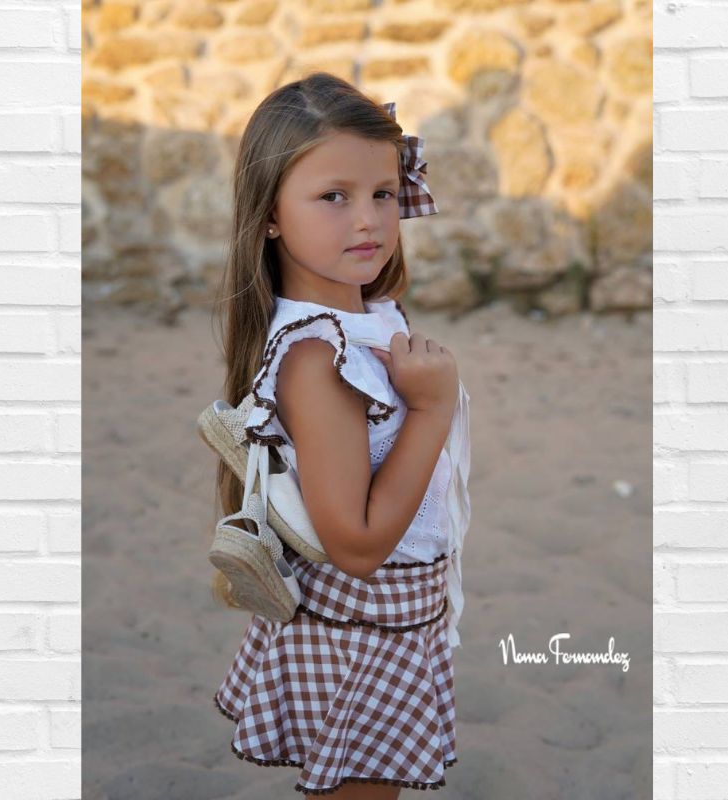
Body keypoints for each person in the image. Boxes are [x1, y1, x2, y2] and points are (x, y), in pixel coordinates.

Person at [208, 71, 471, 797]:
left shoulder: (372, 316)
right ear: (270, 214)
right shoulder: (316, 358)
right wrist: (431, 411)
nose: (369, 221)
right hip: (360, 631)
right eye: (334, 197)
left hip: (401, 618)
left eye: (383, 193)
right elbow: (355, 549)